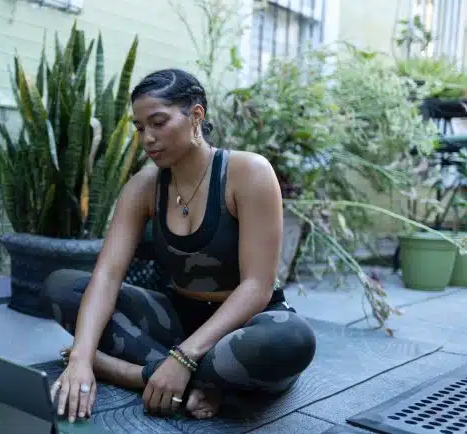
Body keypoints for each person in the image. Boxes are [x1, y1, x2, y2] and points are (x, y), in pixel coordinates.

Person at [44, 68, 316, 422]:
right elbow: (107, 275)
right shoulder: (143, 187)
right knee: (61, 288)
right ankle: (199, 385)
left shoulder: (248, 173)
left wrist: (184, 357)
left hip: (245, 324)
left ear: (196, 116)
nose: (147, 138)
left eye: (158, 122)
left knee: (292, 341)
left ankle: (130, 372)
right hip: (176, 318)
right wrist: (80, 360)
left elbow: (257, 287)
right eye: (140, 128)